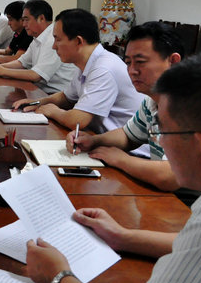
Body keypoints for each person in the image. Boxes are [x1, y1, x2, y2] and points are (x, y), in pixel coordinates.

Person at [26, 52, 201, 283]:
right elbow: (200, 242)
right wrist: (122, 236)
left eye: (162, 131)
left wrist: (58, 276)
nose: (158, 142)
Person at [65, 21, 185, 193]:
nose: (132, 71)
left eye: (140, 62)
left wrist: (121, 159)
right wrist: (93, 141)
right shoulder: (152, 100)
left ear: (173, 61)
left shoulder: (189, 106)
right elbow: (128, 136)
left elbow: (169, 177)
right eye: (128, 62)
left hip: (189, 200)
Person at [12, 8, 142, 133]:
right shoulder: (86, 63)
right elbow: (66, 97)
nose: (54, 46)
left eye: (58, 39)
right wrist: (38, 102)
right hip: (100, 137)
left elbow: (77, 121)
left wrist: (53, 111)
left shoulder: (103, 68)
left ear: (78, 41)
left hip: (124, 145)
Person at [0, 0, 76, 93]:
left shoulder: (52, 39)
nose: (24, 24)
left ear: (41, 18)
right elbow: (22, 62)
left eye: (26, 20)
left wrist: (3, 71)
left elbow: (36, 75)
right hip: (40, 89)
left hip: (55, 94)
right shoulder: (38, 37)